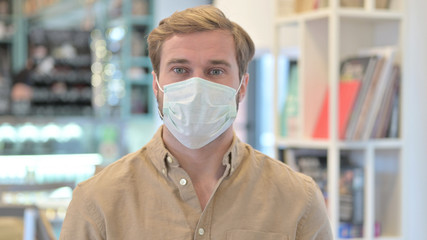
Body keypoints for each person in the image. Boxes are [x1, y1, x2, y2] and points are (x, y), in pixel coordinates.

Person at [59, 5, 332, 240]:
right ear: (156, 85)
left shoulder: (298, 199)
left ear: (243, 86)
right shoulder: (97, 201)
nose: (197, 85)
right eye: (180, 70)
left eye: (216, 71)